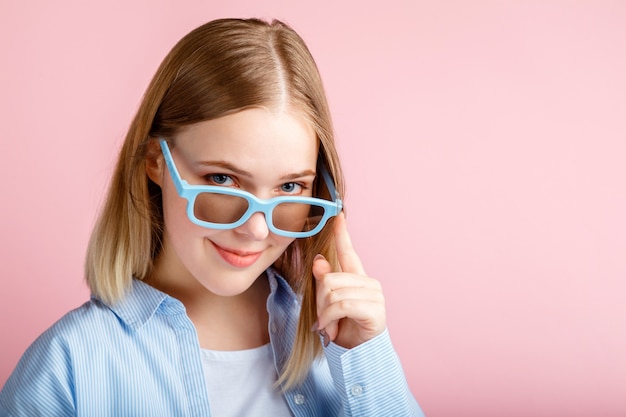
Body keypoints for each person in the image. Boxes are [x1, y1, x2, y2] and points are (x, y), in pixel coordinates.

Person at [0, 18, 424, 416]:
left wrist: (366, 356)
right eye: (222, 179)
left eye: (290, 187)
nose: (255, 229)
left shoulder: (343, 347)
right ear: (155, 161)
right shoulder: (67, 369)